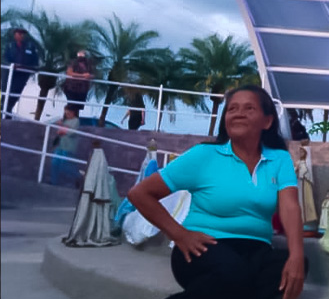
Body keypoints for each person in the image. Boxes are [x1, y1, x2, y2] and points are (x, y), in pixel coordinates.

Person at [127, 85, 306, 299]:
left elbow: (290, 207)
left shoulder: (279, 159)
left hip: (256, 250)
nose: (238, 113)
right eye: (232, 109)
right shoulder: (204, 155)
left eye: (249, 108)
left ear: (267, 121)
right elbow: (140, 194)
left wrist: (296, 256)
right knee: (235, 274)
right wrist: (180, 234)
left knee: (292, 267)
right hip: (201, 248)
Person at [3, 28, 40, 115]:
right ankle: (4, 113)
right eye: (19, 33)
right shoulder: (9, 46)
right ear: (15, 35)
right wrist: (11, 65)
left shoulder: (30, 47)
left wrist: (32, 68)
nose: (21, 35)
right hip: (10, 74)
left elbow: (35, 61)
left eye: (23, 34)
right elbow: (4, 59)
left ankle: (7, 112)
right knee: (5, 94)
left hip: (22, 75)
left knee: (15, 95)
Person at [50, 105, 82, 186]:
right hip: (60, 146)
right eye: (66, 112)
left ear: (73, 112)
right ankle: (54, 182)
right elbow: (59, 132)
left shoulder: (76, 121)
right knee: (54, 163)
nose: (67, 113)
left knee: (65, 166)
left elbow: (71, 132)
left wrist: (62, 127)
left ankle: (78, 177)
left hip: (68, 147)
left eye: (68, 112)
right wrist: (63, 127)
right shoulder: (65, 120)